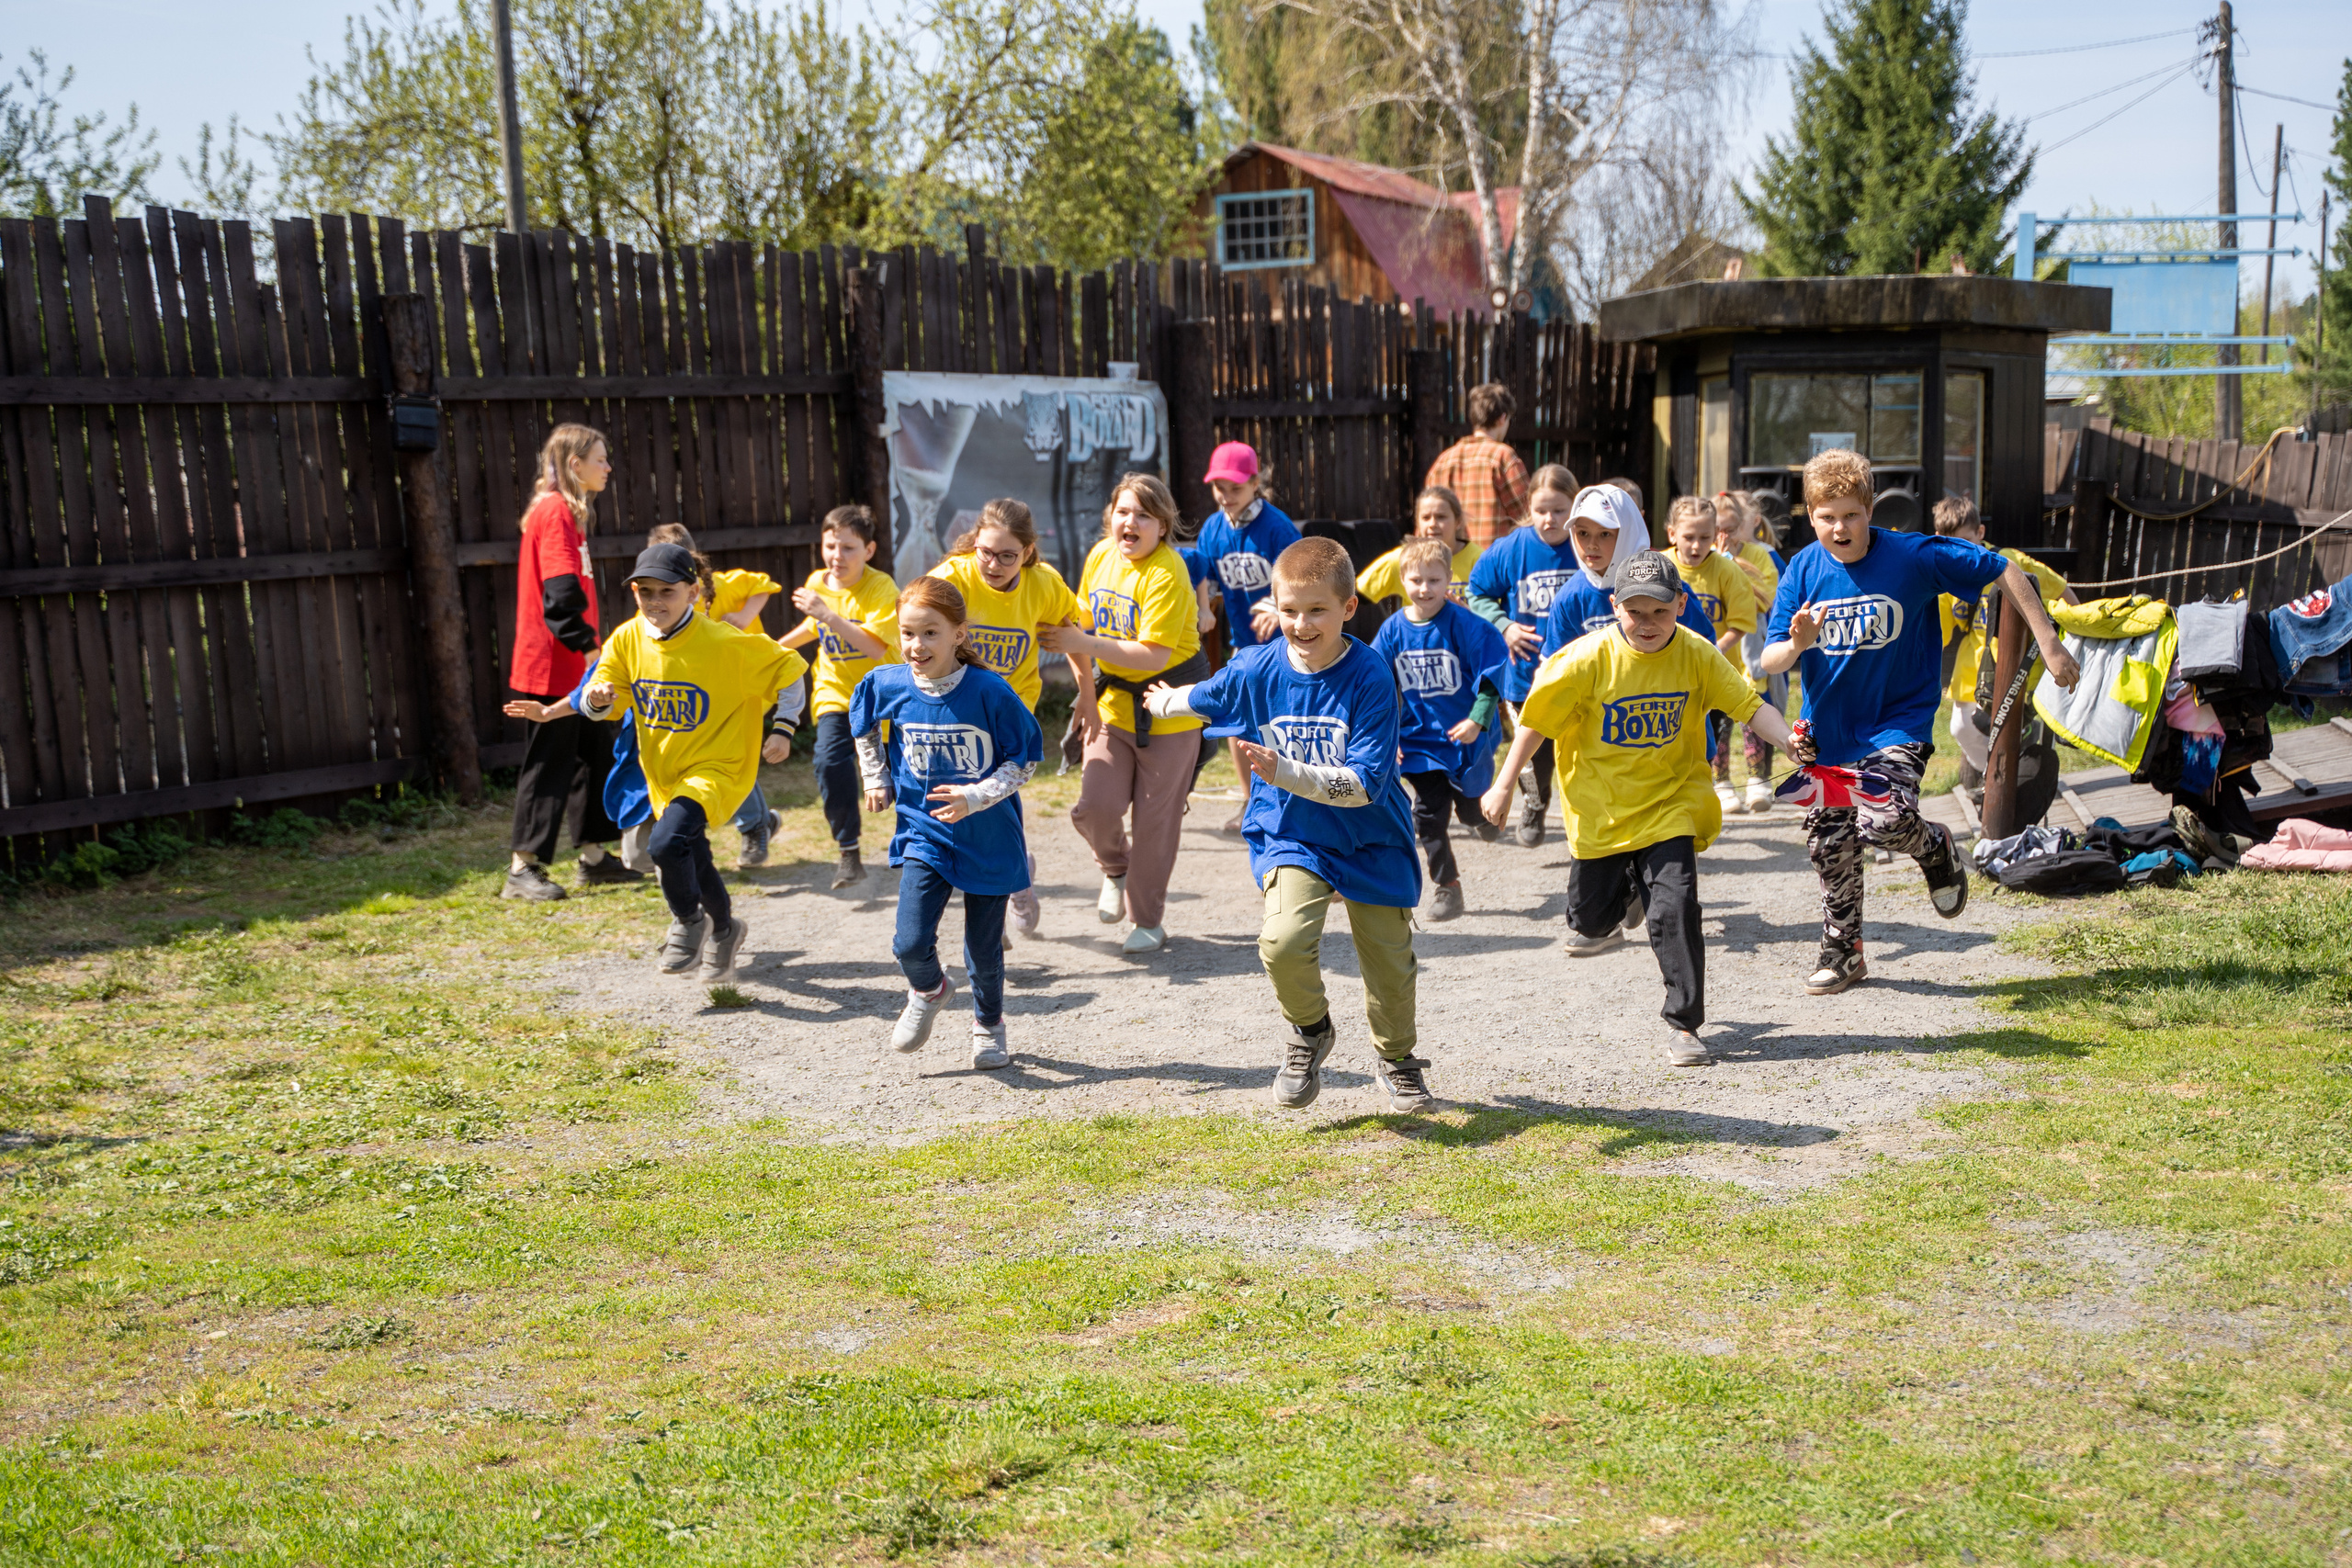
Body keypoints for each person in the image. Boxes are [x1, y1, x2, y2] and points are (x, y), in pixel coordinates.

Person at [1760, 450, 2081, 996]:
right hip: (1828, 734)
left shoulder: (1912, 555)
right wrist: (1797, 642)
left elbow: (2003, 566)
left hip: (1896, 727)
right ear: (1810, 517)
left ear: (1870, 509)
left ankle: (1934, 847)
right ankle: (1844, 952)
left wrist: (2048, 640)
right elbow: (1770, 661)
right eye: (1826, 517)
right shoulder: (1801, 570)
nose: (1840, 528)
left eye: (1851, 515)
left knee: (1881, 822)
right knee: (1829, 841)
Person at [1144, 536, 1434, 1113]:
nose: (1301, 624)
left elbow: (1364, 785)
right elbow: (1211, 694)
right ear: (1273, 605)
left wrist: (1288, 771)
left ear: (1348, 608)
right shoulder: (1257, 665)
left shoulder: (1371, 677)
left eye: (1317, 610)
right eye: (1289, 609)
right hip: (1293, 833)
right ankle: (1309, 1031)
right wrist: (1166, 700)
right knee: (1281, 942)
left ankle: (1397, 1059)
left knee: (1388, 964)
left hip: (1369, 837)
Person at [1480, 550, 1804, 1067]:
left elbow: (1748, 705)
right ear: (1615, 607)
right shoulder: (1584, 660)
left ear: (1680, 603)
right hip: (1601, 812)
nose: (1648, 623)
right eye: (1635, 610)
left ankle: (1686, 1025)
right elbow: (1535, 721)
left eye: (1659, 609)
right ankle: (1628, 892)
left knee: (1676, 908)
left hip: (1671, 803)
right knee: (1587, 923)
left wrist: (1788, 741)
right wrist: (1502, 785)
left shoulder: (1697, 654)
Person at [580, 544, 805, 984]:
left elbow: (790, 669)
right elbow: (603, 697)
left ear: (694, 591)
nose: (655, 601)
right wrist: (596, 698)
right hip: (664, 773)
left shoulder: (724, 642)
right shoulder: (628, 638)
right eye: (645, 591)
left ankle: (688, 921)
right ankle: (725, 929)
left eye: (667, 590)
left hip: (718, 768)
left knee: (664, 846)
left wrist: (784, 728)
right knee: (693, 856)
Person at [853, 578, 1045, 1070]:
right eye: (908, 633)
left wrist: (974, 796)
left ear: (959, 634)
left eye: (931, 633)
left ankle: (988, 1025)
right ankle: (929, 988)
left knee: (983, 950)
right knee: (909, 942)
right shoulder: (889, 683)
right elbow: (863, 720)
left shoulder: (990, 692)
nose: (917, 646)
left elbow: (1024, 760)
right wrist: (876, 777)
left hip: (989, 837)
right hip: (924, 831)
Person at [1043, 473, 1208, 955]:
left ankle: (1148, 920)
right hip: (1113, 704)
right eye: (1122, 512)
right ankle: (1115, 867)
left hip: (1172, 709)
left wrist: (1082, 642)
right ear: (1109, 518)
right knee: (1094, 808)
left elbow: (1154, 655)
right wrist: (1086, 696)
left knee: (1156, 823)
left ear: (1162, 526)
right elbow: (1081, 626)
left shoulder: (1167, 572)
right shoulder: (1099, 557)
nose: (1130, 522)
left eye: (1143, 515)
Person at [929, 498, 1092, 939]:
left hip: (1011, 711)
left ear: (1028, 552)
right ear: (973, 544)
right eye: (986, 551)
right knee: (967, 810)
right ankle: (1015, 877)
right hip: (957, 711)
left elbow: (1073, 636)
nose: (994, 564)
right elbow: (914, 635)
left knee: (991, 803)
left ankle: (1002, 895)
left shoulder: (1044, 586)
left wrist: (1088, 695)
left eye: (1007, 555)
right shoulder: (951, 580)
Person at [503, 423, 634, 902]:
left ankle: (595, 859)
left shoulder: (568, 513)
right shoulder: (556, 512)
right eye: (600, 458)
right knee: (548, 764)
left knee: (594, 758)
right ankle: (522, 867)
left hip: (572, 666)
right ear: (574, 464)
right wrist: (592, 651)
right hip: (553, 667)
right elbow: (559, 598)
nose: (608, 467)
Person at [1369, 537, 1510, 920]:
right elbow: (1376, 686)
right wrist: (1386, 736)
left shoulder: (1466, 625)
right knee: (1427, 816)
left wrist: (1478, 718)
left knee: (1469, 811)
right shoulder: (1392, 631)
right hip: (1418, 742)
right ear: (1402, 580)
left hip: (1464, 740)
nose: (1425, 588)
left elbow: (1493, 672)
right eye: (1416, 580)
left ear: (1449, 578)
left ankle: (1482, 818)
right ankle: (1448, 887)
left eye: (1434, 579)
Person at [645, 524, 799, 868]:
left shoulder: (723, 587)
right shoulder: (660, 604)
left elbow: (764, 585)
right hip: (701, 702)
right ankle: (734, 827)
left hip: (744, 694)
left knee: (731, 762)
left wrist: (744, 616)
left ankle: (755, 826)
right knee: (712, 766)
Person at [1465, 463, 1587, 847]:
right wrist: (1505, 626)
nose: (1549, 519)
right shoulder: (1512, 548)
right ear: (1529, 509)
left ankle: (1589, 818)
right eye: (1540, 510)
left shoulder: (1588, 544)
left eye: (1559, 510)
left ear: (1574, 509)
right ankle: (1535, 801)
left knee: (1580, 750)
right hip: (1525, 673)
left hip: (1583, 673)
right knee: (1533, 753)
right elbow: (1478, 592)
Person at [780, 505, 899, 891]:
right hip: (836, 693)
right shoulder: (819, 582)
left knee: (903, 778)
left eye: (848, 548)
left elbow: (877, 647)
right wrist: (773, 650)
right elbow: (811, 627)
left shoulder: (882, 589)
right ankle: (848, 852)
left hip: (885, 694)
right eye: (831, 546)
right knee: (829, 762)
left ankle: (923, 850)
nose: (837, 556)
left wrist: (828, 616)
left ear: (869, 550)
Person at [1931, 494, 2076, 796]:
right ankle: (1995, 776)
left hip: (2013, 665)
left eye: (1965, 542)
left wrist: (2075, 633)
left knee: (2005, 731)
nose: (1959, 552)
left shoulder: (2008, 559)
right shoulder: (1944, 575)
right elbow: (1940, 631)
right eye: (1949, 545)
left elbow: (2060, 589)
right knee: (1962, 727)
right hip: (1972, 668)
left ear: (1980, 533)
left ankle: (2004, 783)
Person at [1191, 442, 1302, 833]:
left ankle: (1297, 796)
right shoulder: (1213, 528)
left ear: (1255, 483)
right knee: (1237, 721)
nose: (1226, 495)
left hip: (1287, 644)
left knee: (1281, 723)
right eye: (1219, 487)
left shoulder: (1276, 527)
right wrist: (1204, 606)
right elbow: (1203, 573)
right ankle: (1250, 800)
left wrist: (1279, 609)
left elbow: (1299, 578)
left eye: (1235, 488)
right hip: (1245, 643)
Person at [1661, 495, 1758, 817]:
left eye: (1705, 537)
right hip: (1666, 673)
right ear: (1672, 533)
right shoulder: (1660, 567)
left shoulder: (1725, 570)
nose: (1696, 545)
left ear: (1716, 534)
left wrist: (1715, 649)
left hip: (1714, 671)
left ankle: (1717, 784)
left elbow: (1742, 620)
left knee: (1714, 731)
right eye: (1688, 537)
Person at [1538, 484, 1702, 660]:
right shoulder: (1569, 597)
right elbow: (1555, 665)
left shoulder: (1664, 582)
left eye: (1605, 534)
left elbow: (1703, 650)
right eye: (1583, 533)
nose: (1592, 544)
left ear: (1627, 533)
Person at [1715, 493, 1787, 814]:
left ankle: (1760, 782)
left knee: (1753, 716)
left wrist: (1730, 567)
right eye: (1717, 530)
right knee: (1719, 722)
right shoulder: (1704, 560)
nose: (1724, 538)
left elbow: (1764, 597)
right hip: (1718, 653)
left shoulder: (1760, 555)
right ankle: (1721, 784)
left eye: (1730, 529)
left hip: (1751, 656)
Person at [1424, 382, 1531, 549]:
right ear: (1503, 418)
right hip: (1493, 563)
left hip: (1450, 563)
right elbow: (1527, 516)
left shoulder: (1443, 461)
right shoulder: (1503, 457)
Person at [1356, 486, 1483, 608]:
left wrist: (1469, 616)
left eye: (1441, 517)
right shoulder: (1403, 558)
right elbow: (1355, 595)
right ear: (1417, 522)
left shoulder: (1479, 561)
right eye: (1426, 518)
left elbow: (1497, 612)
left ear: (1458, 521)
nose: (1433, 524)